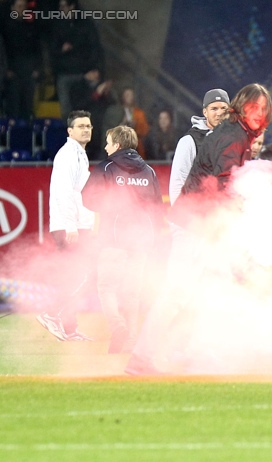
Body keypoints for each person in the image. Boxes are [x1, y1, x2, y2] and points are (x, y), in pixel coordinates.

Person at [126, 84, 272, 375]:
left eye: (264, 109)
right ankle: (142, 357)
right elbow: (224, 180)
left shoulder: (233, 133)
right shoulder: (230, 135)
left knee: (213, 288)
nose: (262, 114)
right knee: (177, 292)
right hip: (195, 224)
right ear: (245, 108)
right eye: (257, 108)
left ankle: (195, 352)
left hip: (205, 225)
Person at [82, 126, 163, 354]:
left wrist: (109, 208)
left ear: (117, 145)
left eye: (108, 142)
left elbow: (87, 199)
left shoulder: (107, 167)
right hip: (142, 241)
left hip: (114, 239)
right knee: (133, 292)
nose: (106, 147)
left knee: (106, 287)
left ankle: (118, 328)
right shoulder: (149, 171)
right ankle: (131, 341)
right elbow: (157, 208)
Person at [36, 110, 96, 342]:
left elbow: (77, 193)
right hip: (69, 225)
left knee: (75, 274)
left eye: (88, 126)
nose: (85, 129)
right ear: (69, 131)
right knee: (81, 274)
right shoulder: (68, 154)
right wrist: (71, 225)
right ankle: (51, 314)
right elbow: (64, 192)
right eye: (80, 126)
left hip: (76, 224)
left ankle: (69, 327)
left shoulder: (79, 154)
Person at [169, 88, 229, 205]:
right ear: (205, 112)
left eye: (223, 108)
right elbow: (178, 180)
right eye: (214, 109)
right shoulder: (189, 141)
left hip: (226, 215)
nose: (219, 113)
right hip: (197, 214)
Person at [50, 0, 105, 120]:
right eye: (60, 6)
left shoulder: (86, 24)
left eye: (64, 6)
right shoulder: (57, 25)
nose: (61, 9)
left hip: (84, 72)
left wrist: (96, 68)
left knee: (87, 109)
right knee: (66, 112)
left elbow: (95, 47)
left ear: (72, 7)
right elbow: (52, 49)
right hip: (65, 73)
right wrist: (61, 50)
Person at [1, 0, 42, 120]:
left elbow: (37, 49)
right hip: (12, 74)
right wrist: (6, 70)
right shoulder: (5, 28)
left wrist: (37, 68)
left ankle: (26, 136)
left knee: (27, 108)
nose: (21, 9)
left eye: (23, 7)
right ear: (12, 8)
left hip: (28, 73)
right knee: (13, 109)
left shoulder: (31, 27)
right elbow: (3, 52)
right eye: (19, 6)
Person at [103, 88, 150, 159]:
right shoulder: (115, 112)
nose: (130, 97)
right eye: (127, 95)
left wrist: (135, 127)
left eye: (131, 95)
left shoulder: (139, 113)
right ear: (122, 97)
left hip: (136, 146)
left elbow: (145, 130)